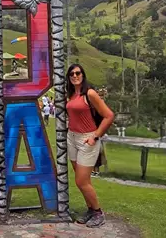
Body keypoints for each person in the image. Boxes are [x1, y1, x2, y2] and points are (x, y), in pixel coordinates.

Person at [66, 63, 114, 228]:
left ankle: (98, 213)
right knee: (82, 179)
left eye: (78, 73)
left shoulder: (90, 93)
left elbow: (109, 116)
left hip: (87, 139)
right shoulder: (72, 94)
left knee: (81, 181)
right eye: (71, 74)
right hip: (72, 138)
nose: (75, 76)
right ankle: (90, 210)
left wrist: (95, 136)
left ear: (83, 74)